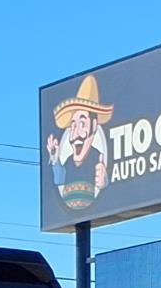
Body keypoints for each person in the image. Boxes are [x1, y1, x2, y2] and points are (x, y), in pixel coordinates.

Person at [46, 74, 112, 213]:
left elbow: (106, 191)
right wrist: (54, 158)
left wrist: (105, 185)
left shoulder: (97, 159)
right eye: (73, 126)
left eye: (82, 124)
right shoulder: (69, 161)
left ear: (94, 126)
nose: (76, 134)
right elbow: (59, 181)